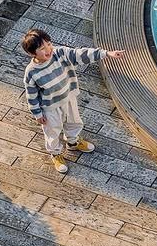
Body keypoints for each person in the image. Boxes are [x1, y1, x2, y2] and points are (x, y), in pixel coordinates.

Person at [21, 28, 123, 169]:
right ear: (32, 53)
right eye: (42, 48)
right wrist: (37, 114)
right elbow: (31, 95)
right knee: (52, 131)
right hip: (50, 107)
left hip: (68, 98)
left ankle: (73, 142)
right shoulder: (31, 72)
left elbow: (79, 54)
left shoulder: (60, 53)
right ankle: (55, 153)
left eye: (49, 44)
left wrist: (105, 53)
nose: (48, 49)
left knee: (74, 121)